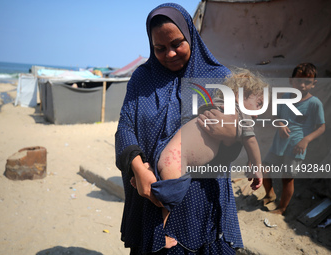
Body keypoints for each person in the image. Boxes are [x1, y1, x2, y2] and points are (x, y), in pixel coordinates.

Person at [116, 3, 245, 254]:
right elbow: (125, 126)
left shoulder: (219, 78)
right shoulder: (142, 78)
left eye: (177, 44)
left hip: (201, 200)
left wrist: (231, 136)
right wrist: (138, 168)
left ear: (191, 35)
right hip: (151, 196)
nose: (170, 54)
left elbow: (233, 145)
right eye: (160, 48)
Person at [132, 69, 265, 227]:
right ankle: (163, 233)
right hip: (177, 161)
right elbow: (251, 141)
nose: (258, 113)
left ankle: (150, 172)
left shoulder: (216, 104)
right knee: (168, 200)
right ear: (240, 95)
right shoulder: (241, 115)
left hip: (170, 153)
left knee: (169, 189)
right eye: (259, 104)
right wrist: (257, 166)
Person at [262, 63, 325, 215]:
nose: (302, 85)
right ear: (291, 81)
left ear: (314, 84)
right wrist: (280, 124)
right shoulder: (285, 97)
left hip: (296, 146)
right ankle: (269, 194)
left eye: (307, 82)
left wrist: (306, 140)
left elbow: (321, 127)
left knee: (287, 178)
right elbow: (275, 117)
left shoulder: (314, 103)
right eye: (298, 81)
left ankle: (282, 208)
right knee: (264, 168)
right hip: (279, 144)